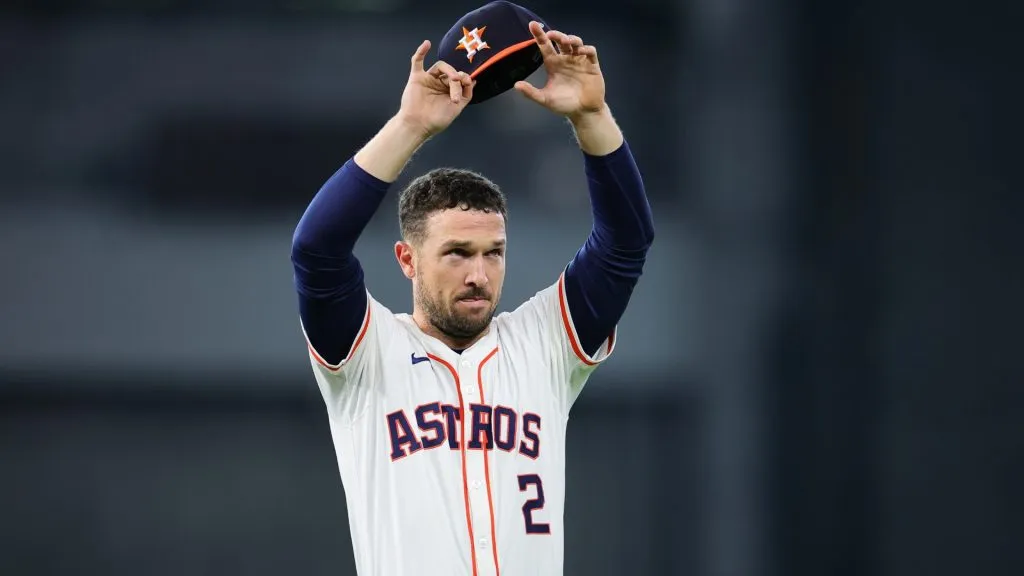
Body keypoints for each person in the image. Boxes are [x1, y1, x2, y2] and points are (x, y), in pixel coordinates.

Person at [291, 19, 654, 576]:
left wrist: (591, 116)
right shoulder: (366, 354)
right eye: (457, 252)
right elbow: (317, 250)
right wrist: (411, 125)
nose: (479, 274)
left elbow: (625, 243)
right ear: (407, 259)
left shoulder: (543, 344)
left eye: (493, 253)